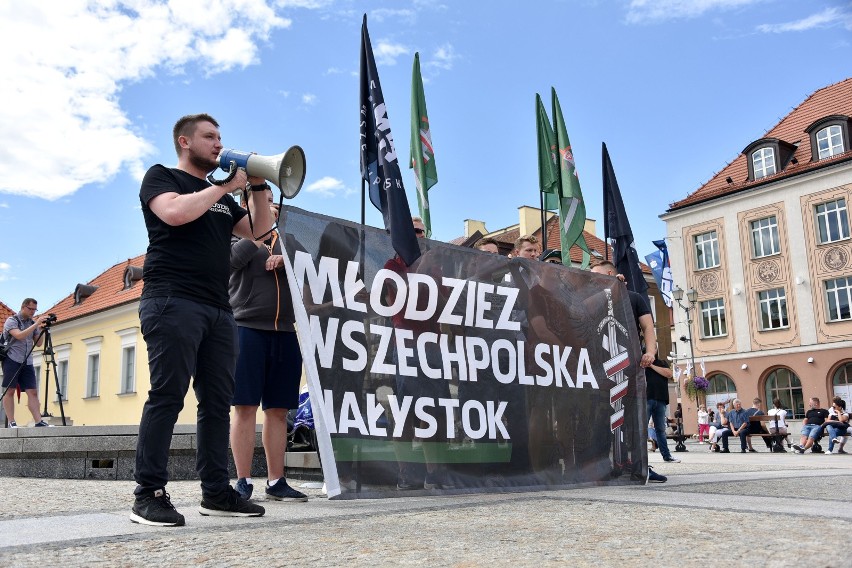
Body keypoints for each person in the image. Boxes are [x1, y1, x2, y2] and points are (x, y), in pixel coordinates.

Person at [131, 113, 271, 527]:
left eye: (220, 136)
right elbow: (174, 214)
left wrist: (258, 185)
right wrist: (225, 186)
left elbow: (260, 233)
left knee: (216, 404)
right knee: (168, 396)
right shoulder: (161, 178)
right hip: (171, 300)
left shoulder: (225, 199)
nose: (218, 143)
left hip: (218, 308)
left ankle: (216, 492)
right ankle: (148, 494)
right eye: (209, 136)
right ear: (185, 141)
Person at [228, 187, 307, 503]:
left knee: (278, 410)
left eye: (271, 199)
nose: (268, 203)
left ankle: (276, 480)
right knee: (244, 406)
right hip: (247, 328)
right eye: (261, 199)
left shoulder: (288, 240)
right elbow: (231, 264)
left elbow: (308, 271)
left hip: (286, 331)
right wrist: (256, 237)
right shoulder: (233, 235)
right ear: (244, 206)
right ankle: (243, 479)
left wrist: (285, 259)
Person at [590, 261, 668, 482]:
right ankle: (607, 465)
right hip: (601, 367)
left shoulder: (634, 298)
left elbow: (648, 327)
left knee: (634, 418)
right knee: (604, 416)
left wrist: (650, 352)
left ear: (609, 274)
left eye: (595, 275)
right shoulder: (593, 301)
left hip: (630, 365)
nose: (591, 279)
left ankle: (640, 466)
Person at [2, 299, 53, 428]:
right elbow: (19, 335)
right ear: (23, 307)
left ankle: (38, 421)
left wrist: (42, 328)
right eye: (30, 309)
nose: (32, 312)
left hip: (27, 361)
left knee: (33, 392)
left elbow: (39, 343)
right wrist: (36, 324)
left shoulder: (32, 323)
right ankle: (12, 421)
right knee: (10, 391)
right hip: (11, 359)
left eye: (34, 310)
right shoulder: (12, 321)